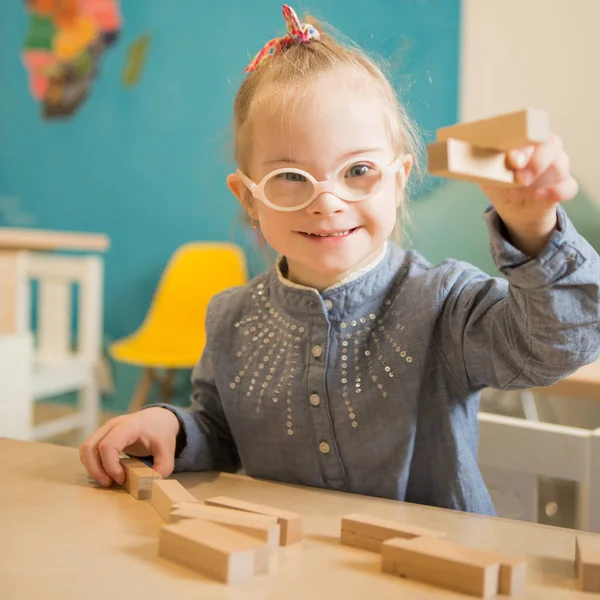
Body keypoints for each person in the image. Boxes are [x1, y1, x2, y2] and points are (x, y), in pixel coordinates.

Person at [80, 5, 600, 515]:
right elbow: (219, 432)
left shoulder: (444, 303)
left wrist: (535, 231)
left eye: (357, 171)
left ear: (399, 181)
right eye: (290, 177)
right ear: (248, 198)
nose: (327, 202)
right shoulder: (230, 318)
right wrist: (173, 426)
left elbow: (559, 344)